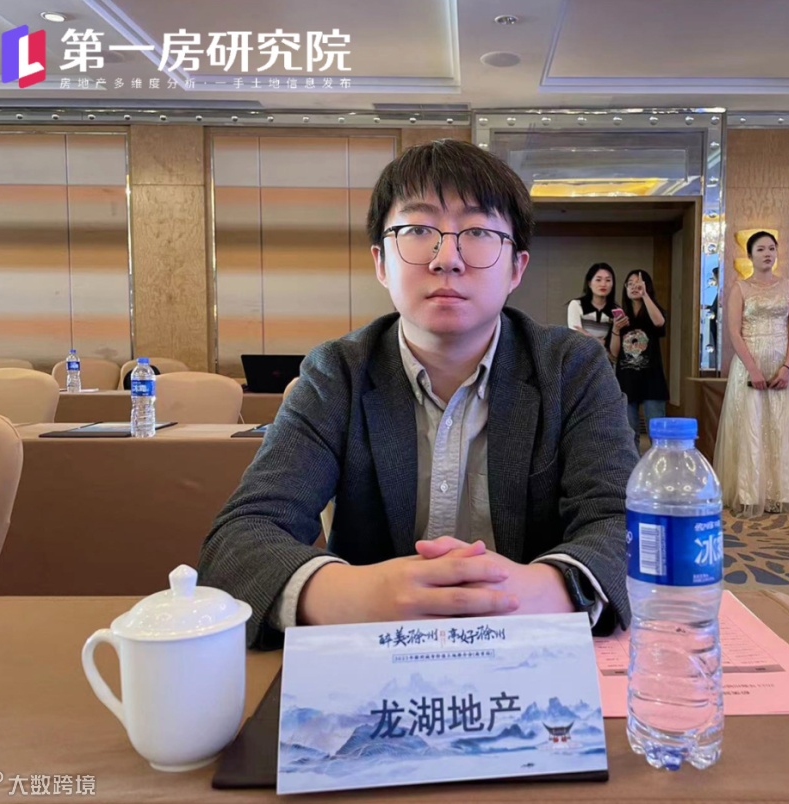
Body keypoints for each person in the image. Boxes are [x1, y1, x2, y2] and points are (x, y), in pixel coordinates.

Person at [199, 139, 639, 649]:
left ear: (517, 268)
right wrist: (357, 594)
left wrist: (537, 592)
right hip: (376, 659)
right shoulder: (337, 373)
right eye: (417, 230)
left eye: (478, 233)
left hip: (529, 653)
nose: (446, 258)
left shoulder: (571, 369)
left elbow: (621, 523)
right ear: (381, 263)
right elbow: (241, 537)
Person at [714, 231, 789, 517]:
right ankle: (750, 492)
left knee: (784, 427)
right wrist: (752, 368)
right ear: (750, 255)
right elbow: (734, 332)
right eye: (760, 249)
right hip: (749, 366)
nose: (767, 253)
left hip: (782, 365)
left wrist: (787, 367)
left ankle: (784, 492)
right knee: (751, 426)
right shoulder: (740, 289)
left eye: (772, 248)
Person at [609, 270, 669, 439]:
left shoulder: (653, 312)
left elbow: (659, 322)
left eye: (639, 284)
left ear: (646, 286)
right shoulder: (621, 317)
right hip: (626, 381)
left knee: (658, 434)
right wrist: (616, 329)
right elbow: (614, 353)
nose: (634, 287)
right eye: (630, 284)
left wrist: (644, 295)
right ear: (625, 288)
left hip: (653, 381)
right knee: (629, 435)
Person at [566, 262, 618, 344]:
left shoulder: (615, 310)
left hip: (603, 352)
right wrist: (600, 342)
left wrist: (586, 334)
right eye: (598, 280)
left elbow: (613, 343)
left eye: (608, 280)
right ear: (589, 283)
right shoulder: (576, 305)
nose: (603, 284)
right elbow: (576, 335)